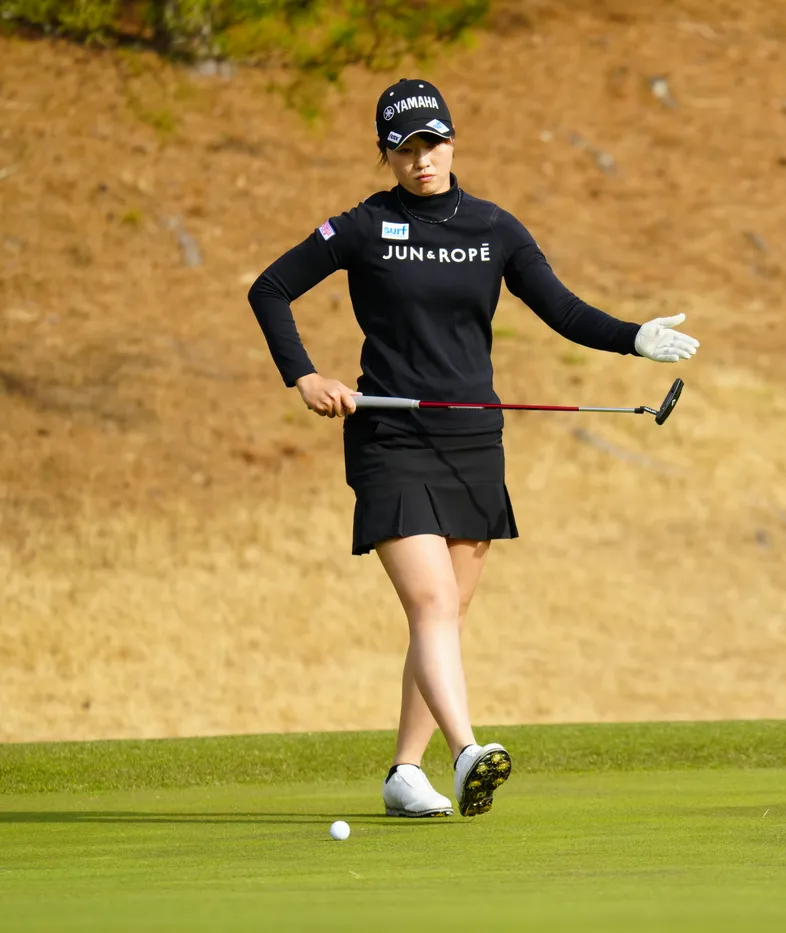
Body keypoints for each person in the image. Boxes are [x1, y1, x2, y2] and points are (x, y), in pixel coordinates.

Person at [247, 78, 699, 819]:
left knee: (445, 617)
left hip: (472, 440)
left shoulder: (494, 228)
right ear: (387, 155)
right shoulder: (364, 226)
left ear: (453, 142)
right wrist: (304, 375)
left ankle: (404, 772)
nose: (421, 161)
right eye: (405, 150)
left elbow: (562, 309)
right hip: (392, 438)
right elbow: (270, 288)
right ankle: (465, 754)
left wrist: (634, 338)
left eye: (432, 144)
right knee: (430, 603)